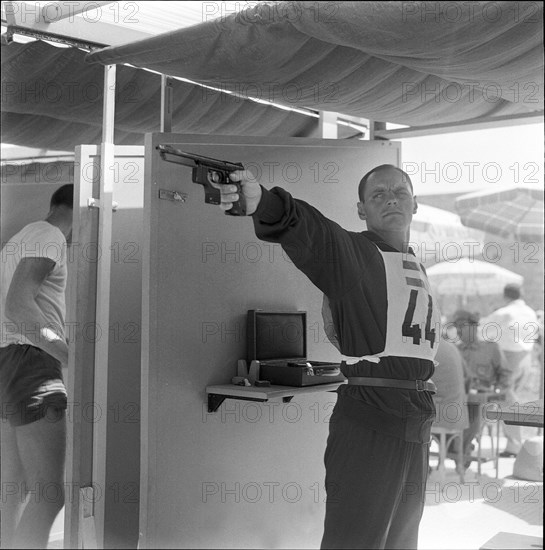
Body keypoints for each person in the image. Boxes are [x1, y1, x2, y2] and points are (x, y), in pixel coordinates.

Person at [216, 164, 440, 549]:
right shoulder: (357, 254)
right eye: (378, 194)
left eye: (400, 192)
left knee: (403, 541)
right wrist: (264, 203)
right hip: (372, 418)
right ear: (361, 209)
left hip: (416, 421)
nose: (391, 199)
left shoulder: (416, 262)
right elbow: (314, 231)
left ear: (415, 204)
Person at [0, 184, 73, 549]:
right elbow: (17, 305)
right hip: (31, 362)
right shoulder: (50, 235)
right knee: (49, 495)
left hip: (7, 361)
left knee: (13, 489)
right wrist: (65, 353)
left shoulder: (20, 237)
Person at [480, 284, 540, 457]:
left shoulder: (504, 313)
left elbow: (481, 332)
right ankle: (512, 442)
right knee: (514, 400)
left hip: (509, 358)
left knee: (508, 402)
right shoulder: (529, 312)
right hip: (526, 358)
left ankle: (514, 446)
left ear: (505, 296)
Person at [452, 309, 510, 465]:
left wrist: (498, 391)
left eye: (461, 326)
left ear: (474, 327)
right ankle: (457, 448)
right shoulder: (454, 350)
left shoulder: (491, 348)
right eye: (456, 327)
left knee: (473, 412)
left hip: (482, 402)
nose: (457, 331)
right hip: (457, 399)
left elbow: (505, 374)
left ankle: (460, 450)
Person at [431, 330, 470, 471]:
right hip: (458, 414)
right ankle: (459, 460)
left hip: (439, 416)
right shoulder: (452, 347)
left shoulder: (428, 349)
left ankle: (419, 465)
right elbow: (468, 377)